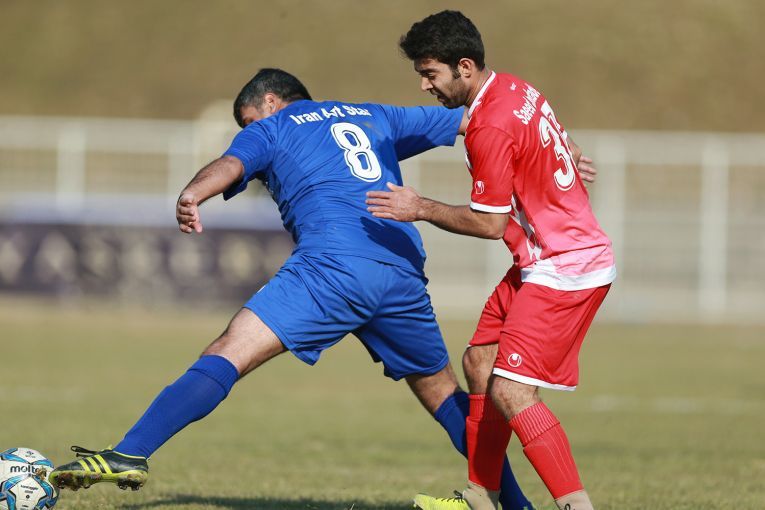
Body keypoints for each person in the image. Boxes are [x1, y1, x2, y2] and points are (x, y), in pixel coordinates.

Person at [47, 67, 537, 510]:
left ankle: (130, 452)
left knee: (228, 351)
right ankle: (518, 507)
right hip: (400, 270)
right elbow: (473, 119)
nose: (247, 131)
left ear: (270, 102)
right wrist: (551, 146)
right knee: (444, 394)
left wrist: (193, 193)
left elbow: (230, 164)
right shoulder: (373, 114)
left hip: (333, 266)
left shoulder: (274, 126)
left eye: (247, 122)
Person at [366, 11, 616, 510]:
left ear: (464, 66)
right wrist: (566, 155)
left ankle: (577, 506)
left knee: (511, 392)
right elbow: (552, 137)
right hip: (541, 261)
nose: (424, 85)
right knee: (479, 361)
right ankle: (481, 497)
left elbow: (489, 224)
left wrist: (419, 207)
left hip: (564, 268)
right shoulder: (517, 89)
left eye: (430, 73)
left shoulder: (490, 125)